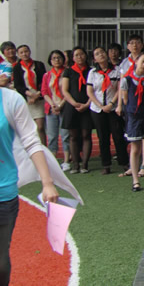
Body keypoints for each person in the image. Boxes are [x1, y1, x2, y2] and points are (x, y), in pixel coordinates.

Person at [0, 87, 59, 285]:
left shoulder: (10, 100)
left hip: (3, 193)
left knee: (0, 262)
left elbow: (31, 142)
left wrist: (47, 183)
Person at [117, 53, 144, 192]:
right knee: (135, 149)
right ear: (136, 62)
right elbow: (125, 100)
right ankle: (135, 181)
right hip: (134, 117)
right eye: (143, 61)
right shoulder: (127, 80)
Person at [86, 47, 123, 175]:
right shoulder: (92, 73)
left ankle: (124, 162)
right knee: (103, 137)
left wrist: (111, 103)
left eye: (102, 52)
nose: (101, 55)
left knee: (118, 135)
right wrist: (100, 106)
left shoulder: (117, 70)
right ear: (94, 59)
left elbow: (119, 89)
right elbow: (90, 92)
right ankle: (106, 164)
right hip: (97, 109)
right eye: (97, 54)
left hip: (113, 108)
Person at [59, 47, 93, 174]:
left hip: (87, 105)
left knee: (86, 135)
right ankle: (75, 164)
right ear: (72, 58)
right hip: (72, 106)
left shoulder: (91, 71)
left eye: (81, 54)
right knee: (73, 136)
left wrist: (87, 104)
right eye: (76, 55)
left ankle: (85, 164)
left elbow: (94, 90)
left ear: (86, 56)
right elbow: (65, 90)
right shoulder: (68, 71)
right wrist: (74, 103)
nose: (79, 57)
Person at [40, 50, 71, 170]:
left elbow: (68, 91)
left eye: (59, 57)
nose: (57, 60)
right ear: (50, 61)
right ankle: (53, 161)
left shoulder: (67, 73)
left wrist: (61, 105)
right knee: (52, 136)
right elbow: (44, 91)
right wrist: (52, 104)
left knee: (65, 135)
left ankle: (66, 160)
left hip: (64, 107)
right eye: (54, 58)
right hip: (51, 108)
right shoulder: (47, 75)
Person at [12, 45, 47, 145]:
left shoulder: (39, 65)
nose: (24, 54)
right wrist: (30, 95)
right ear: (18, 55)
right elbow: (18, 85)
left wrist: (37, 95)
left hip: (39, 97)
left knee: (40, 127)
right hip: (26, 99)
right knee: (28, 127)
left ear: (30, 52)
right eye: (21, 52)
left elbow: (44, 81)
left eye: (26, 51)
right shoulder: (17, 67)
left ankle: (43, 147)